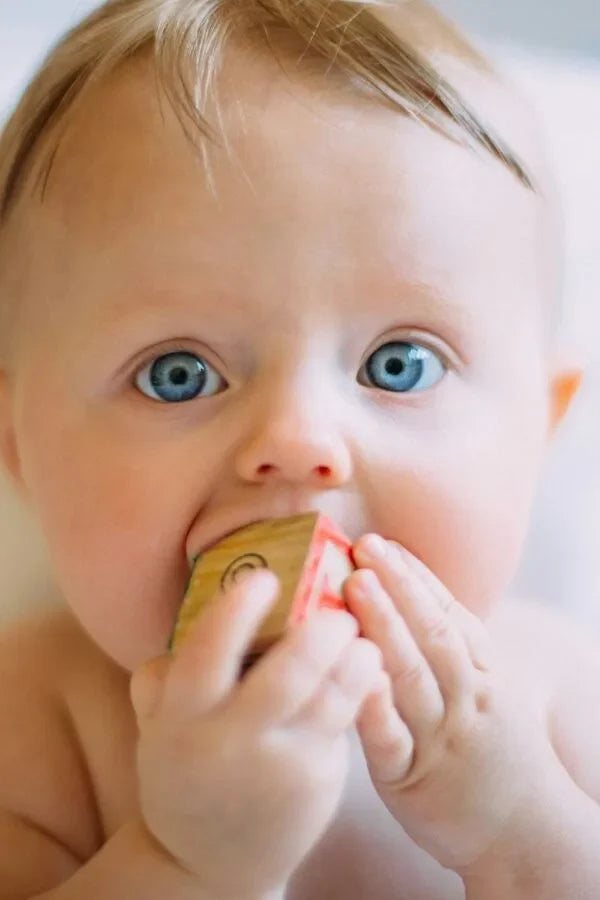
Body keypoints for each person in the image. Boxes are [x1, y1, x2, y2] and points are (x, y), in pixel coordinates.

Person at [0, 0, 598, 897]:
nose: (297, 442)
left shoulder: (560, 696)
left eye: (398, 365)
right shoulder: (37, 726)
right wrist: (184, 860)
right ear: (19, 450)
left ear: (538, 433)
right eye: (178, 373)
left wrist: (521, 828)